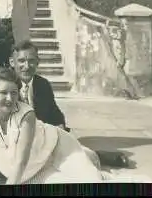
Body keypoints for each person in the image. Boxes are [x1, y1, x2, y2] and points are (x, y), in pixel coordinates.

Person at [0, 67, 108, 184]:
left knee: (93, 182)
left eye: (14, 92)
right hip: (35, 166)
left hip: (58, 147)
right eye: (3, 92)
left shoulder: (26, 114)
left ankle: (85, 155)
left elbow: (21, 161)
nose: (9, 98)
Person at [9, 40, 130, 170]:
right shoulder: (6, 85)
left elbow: (55, 114)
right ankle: (98, 156)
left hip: (43, 137)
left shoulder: (42, 85)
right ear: (12, 62)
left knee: (71, 156)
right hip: (15, 140)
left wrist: (59, 127)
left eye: (31, 61)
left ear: (38, 62)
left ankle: (93, 156)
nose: (27, 66)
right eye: (21, 61)